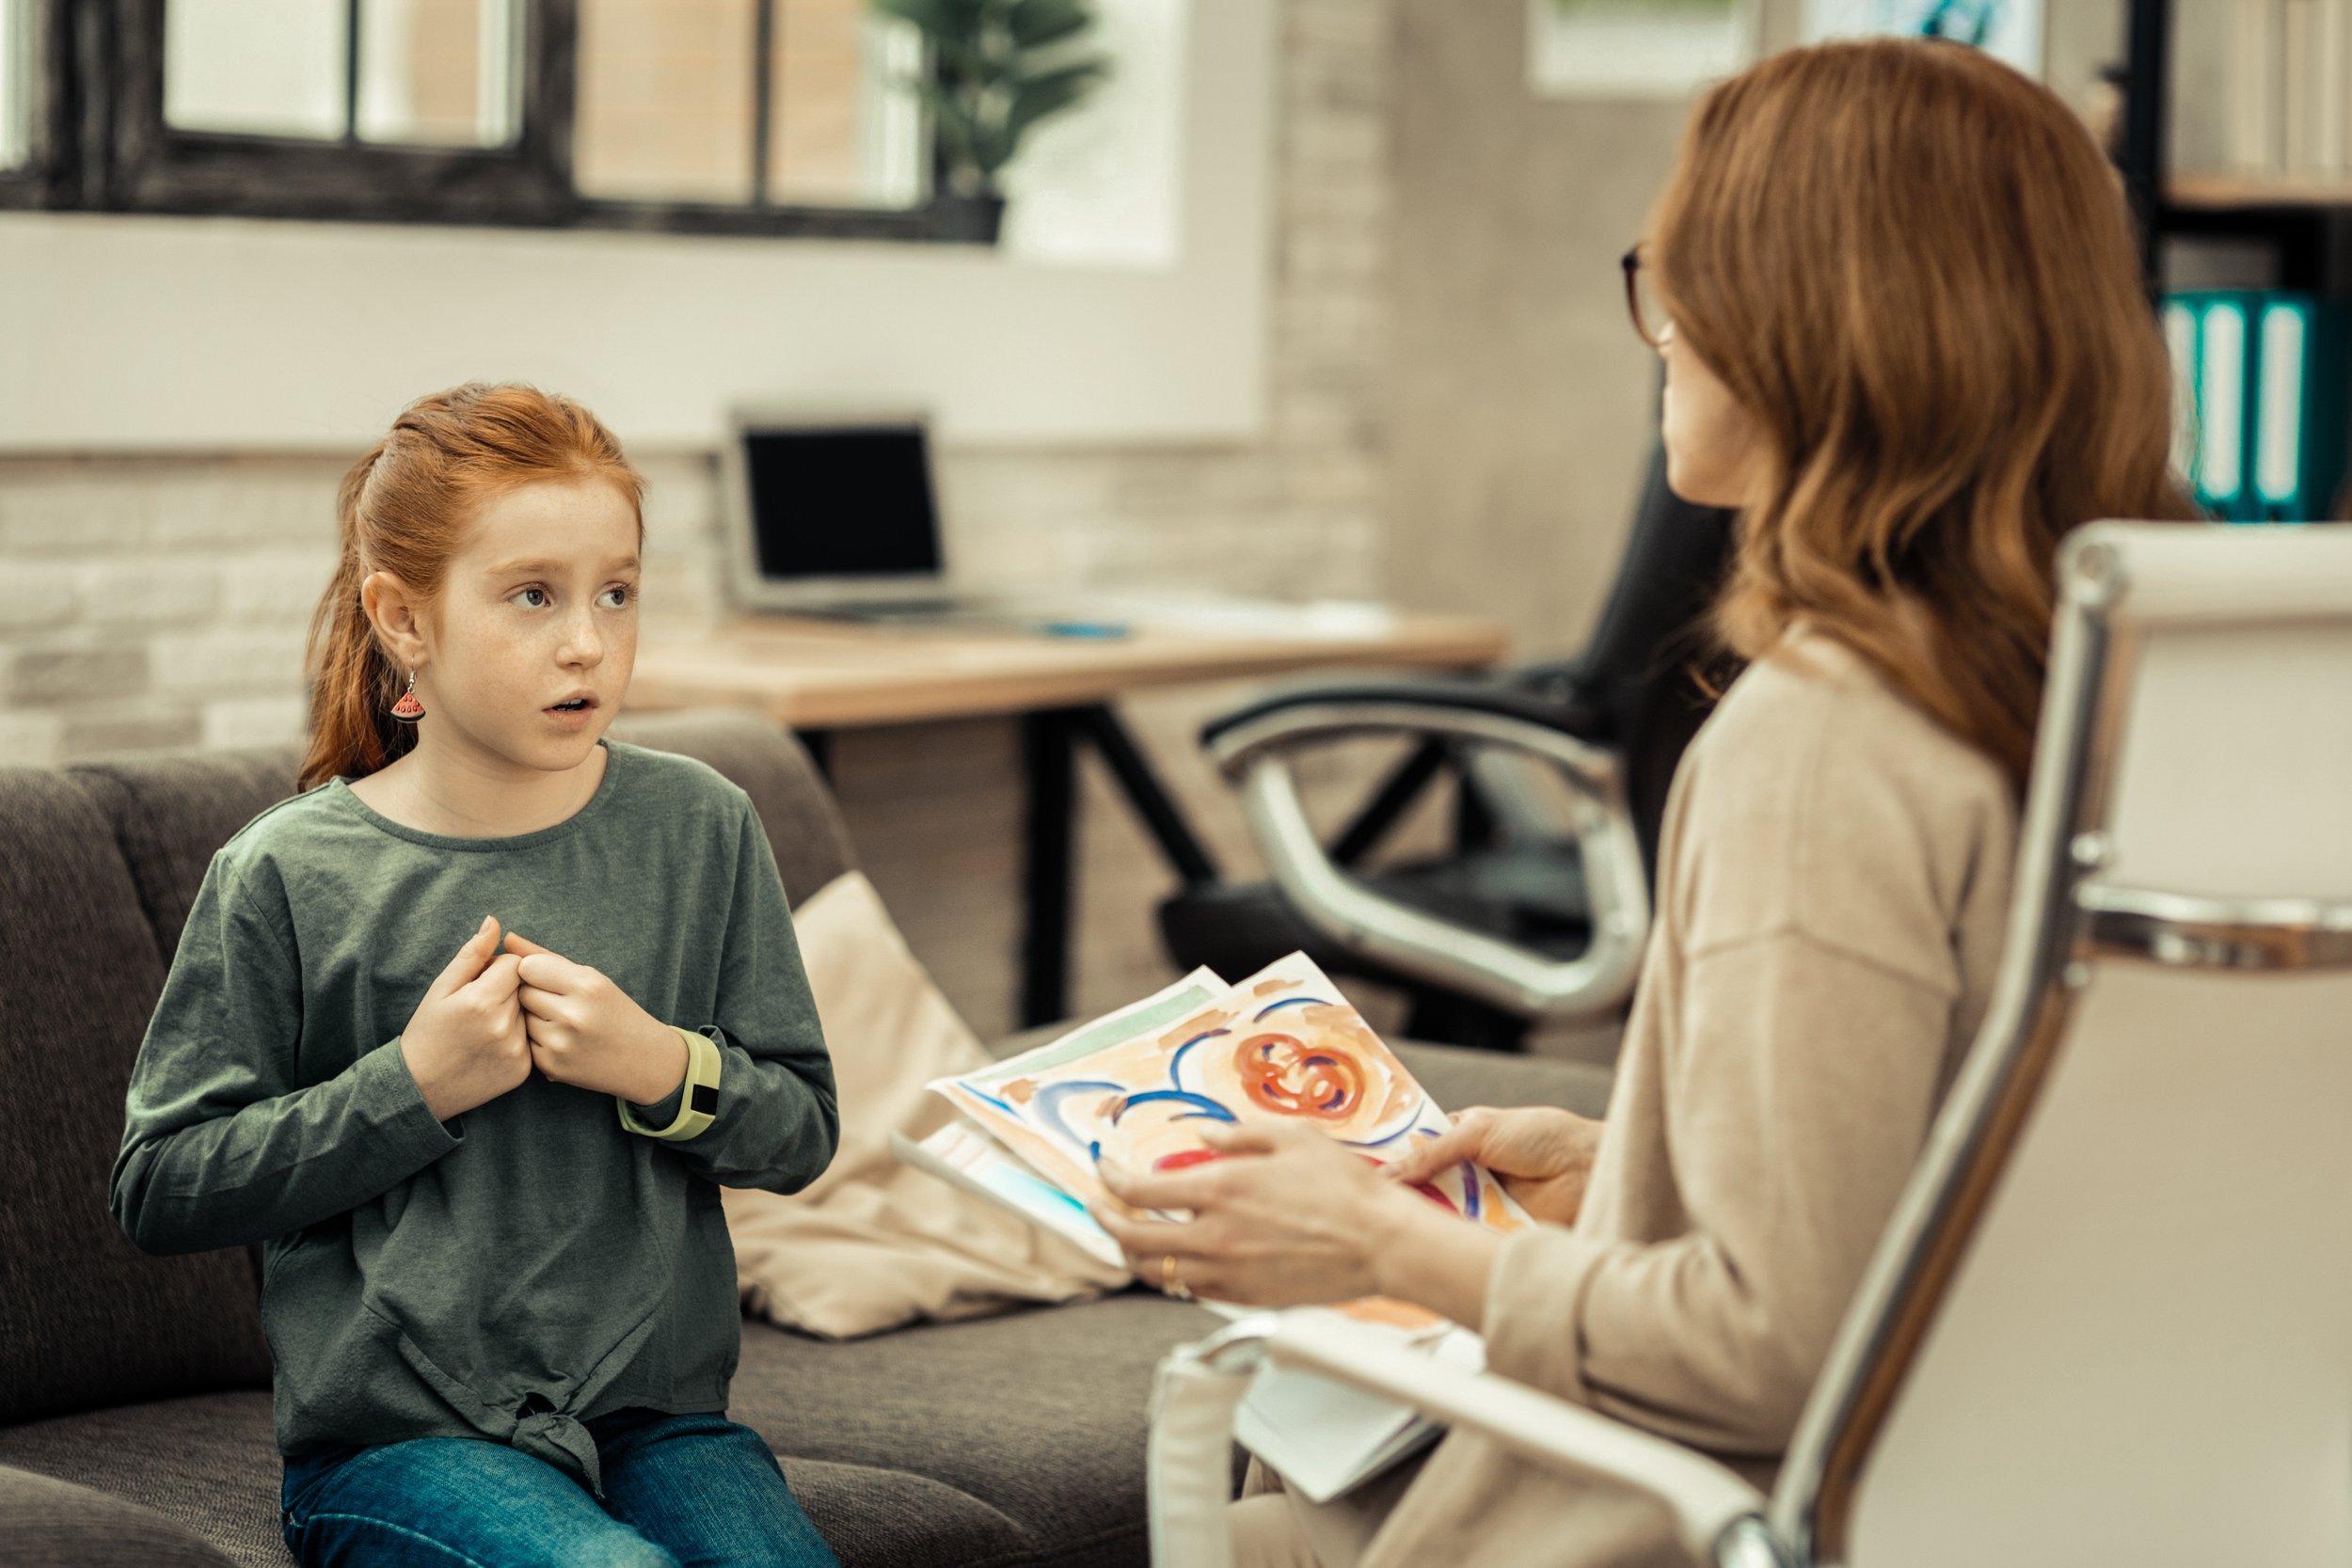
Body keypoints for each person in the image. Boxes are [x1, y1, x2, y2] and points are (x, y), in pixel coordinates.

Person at [1091, 38, 2195, 1568]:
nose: (1661, 330)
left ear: (1805, 322)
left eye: (1681, 275)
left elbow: (1773, 1349)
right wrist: (1633, 1165)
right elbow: (2001, 1184)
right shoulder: (2150, 689)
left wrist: (1379, 1240)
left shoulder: (1828, 739)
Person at [109, 383, 845, 1568]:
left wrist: (660, 1064)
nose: (587, 641)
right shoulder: (289, 871)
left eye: (617, 590)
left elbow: (801, 1128)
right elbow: (162, 1184)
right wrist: (412, 1085)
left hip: (663, 1422)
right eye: (532, 596)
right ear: (403, 617)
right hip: (398, 1444)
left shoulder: (703, 826)